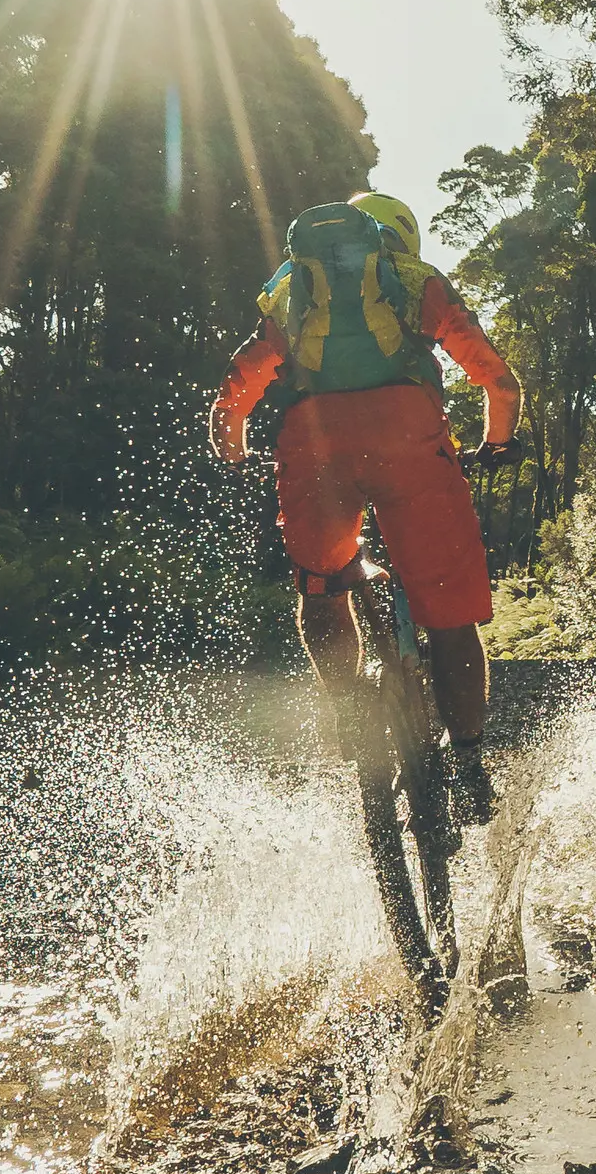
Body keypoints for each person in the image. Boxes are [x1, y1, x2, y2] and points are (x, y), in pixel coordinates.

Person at [208, 191, 523, 823]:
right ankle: (468, 764)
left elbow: (238, 386)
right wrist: (497, 443)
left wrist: (235, 451)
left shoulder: (292, 286)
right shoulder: (412, 280)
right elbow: (496, 378)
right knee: (450, 619)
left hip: (312, 443)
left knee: (322, 587)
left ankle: (351, 719)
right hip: (410, 441)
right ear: (397, 238)